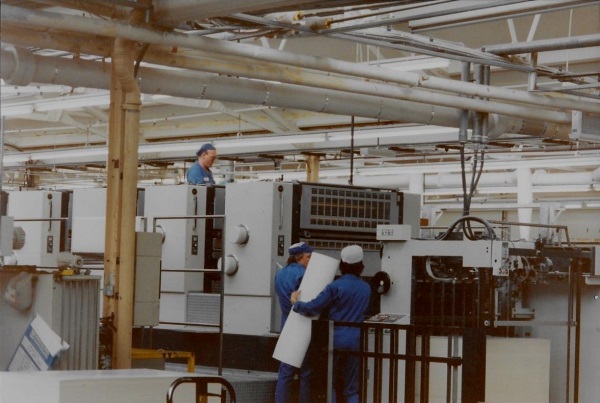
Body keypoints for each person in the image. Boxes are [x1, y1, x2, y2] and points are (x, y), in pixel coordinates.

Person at [291, 244, 371, 403]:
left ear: (342, 264)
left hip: (337, 337)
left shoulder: (335, 287)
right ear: (361, 265)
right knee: (352, 387)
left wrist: (296, 303)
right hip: (357, 338)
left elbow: (314, 307)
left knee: (331, 383)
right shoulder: (366, 288)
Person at [274, 242, 314, 403]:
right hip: (303, 323)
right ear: (299, 258)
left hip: (286, 324)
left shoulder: (280, 274)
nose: (311, 261)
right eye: (309, 257)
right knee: (306, 371)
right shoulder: (305, 274)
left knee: (285, 371)